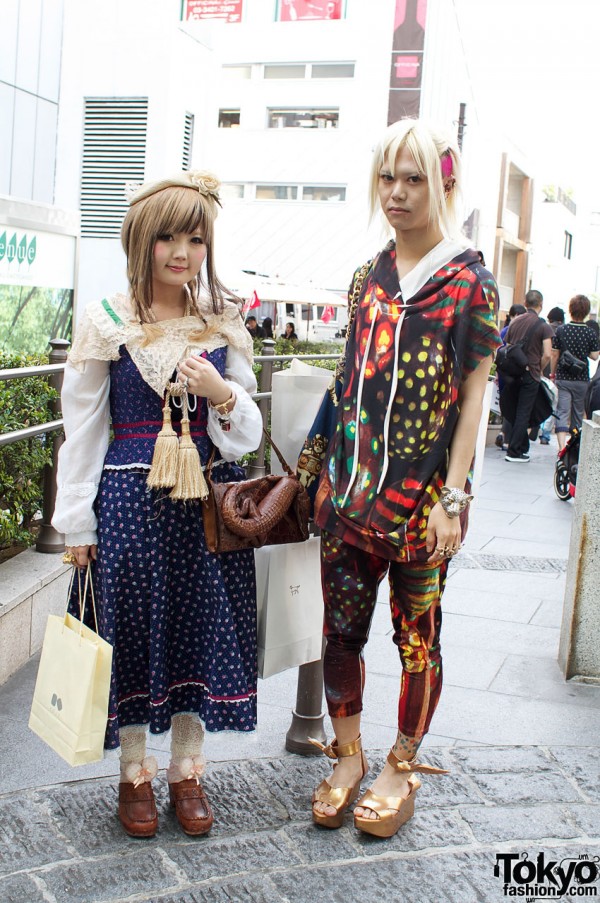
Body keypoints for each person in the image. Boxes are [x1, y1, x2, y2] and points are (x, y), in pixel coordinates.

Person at [52, 170, 263, 838]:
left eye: (195, 238)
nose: (181, 252)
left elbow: (244, 440)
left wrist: (220, 392)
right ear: (139, 240)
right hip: (127, 503)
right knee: (133, 635)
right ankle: (135, 774)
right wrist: (75, 523)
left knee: (197, 627)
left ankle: (187, 770)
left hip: (200, 500)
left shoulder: (220, 324)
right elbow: (83, 429)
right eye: (167, 237)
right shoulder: (105, 323)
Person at [310, 119, 501, 838]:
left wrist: (454, 495)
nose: (396, 192)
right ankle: (348, 753)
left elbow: (475, 399)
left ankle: (400, 763)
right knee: (340, 631)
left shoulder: (468, 282)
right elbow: (346, 380)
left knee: (417, 637)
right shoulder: (368, 275)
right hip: (348, 492)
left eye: (413, 177)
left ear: (442, 184)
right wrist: (321, 469)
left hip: (422, 503)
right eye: (388, 176)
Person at [502, 290, 553, 462]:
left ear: (525, 303)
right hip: (531, 374)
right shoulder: (543, 326)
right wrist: (539, 368)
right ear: (541, 304)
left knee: (515, 410)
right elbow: (547, 354)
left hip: (513, 372)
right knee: (524, 411)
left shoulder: (515, 322)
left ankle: (520, 446)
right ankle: (515, 451)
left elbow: (508, 345)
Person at [550, 294, 600, 450]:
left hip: (563, 377)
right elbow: (594, 356)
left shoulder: (562, 330)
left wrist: (553, 373)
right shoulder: (590, 333)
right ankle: (575, 448)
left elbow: (555, 354)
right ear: (586, 311)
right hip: (581, 378)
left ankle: (560, 448)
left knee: (562, 411)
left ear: (570, 310)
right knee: (578, 414)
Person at [495, 303, 526, 450]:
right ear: (512, 316)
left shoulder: (506, 331)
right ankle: (505, 435)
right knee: (509, 404)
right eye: (517, 316)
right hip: (509, 373)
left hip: (504, 372)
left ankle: (503, 433)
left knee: (507, 403)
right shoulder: (510, 331)